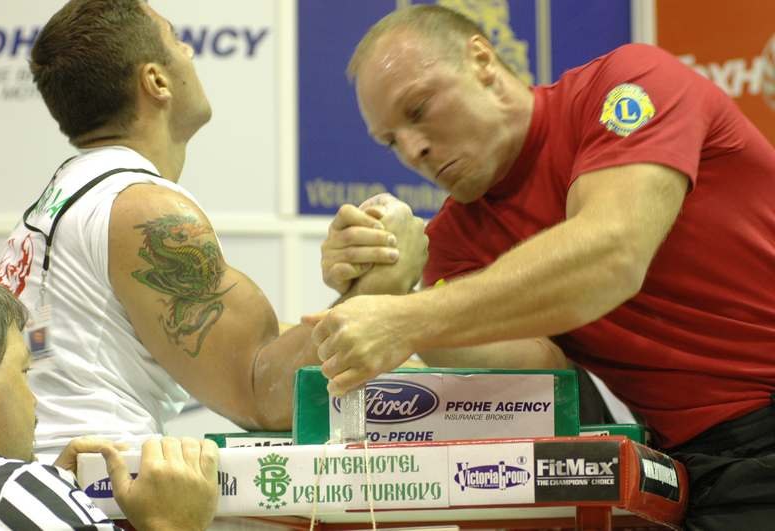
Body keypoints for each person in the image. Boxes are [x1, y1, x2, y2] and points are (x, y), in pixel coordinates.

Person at [309, 5, 775, 529]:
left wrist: (406, 319)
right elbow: (541, 374)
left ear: (482, 61)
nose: (413, 149)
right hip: (702, 468)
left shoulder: (630, 84)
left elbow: (611, 257)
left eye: (418, 110)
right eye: (390, 141)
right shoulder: (456, 244)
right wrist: (384, 285)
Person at [0, 0, 326, 455]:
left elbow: (196, 329)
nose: (189, 50)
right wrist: (380, 288)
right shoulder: (143, 209)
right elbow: (266, 395)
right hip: (97, 498)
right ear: (156, 80)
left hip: (54, 482)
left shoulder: (65, 198)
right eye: (176, 40)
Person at [0, 277, 218, 530]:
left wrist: (54, 492)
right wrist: (173, 523)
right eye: (24, 371)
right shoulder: (9, 489)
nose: (33, 399)